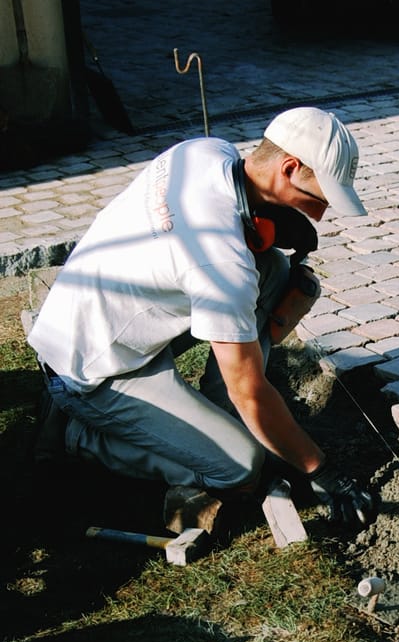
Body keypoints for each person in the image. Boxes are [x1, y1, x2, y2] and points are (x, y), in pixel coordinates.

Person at [28, 107, 376, 533]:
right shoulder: (220, 263)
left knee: (272, 272)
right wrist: (323, 472)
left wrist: (262, 226)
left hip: (89, 317)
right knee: (239, 467)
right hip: (92, 371)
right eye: (320, 200)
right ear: (289, 168)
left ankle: (219, 415)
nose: (320, 215)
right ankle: (76, 435)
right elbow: (250, 392)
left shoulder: (205, 151)